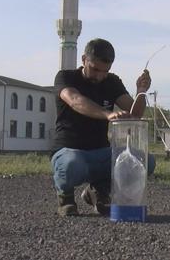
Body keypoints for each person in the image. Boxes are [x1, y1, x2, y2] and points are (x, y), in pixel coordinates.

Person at [51, 38, 155, 217]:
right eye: (95, 69)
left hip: (101, 152)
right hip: (69, 151)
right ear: (84, 59)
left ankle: (99, 190)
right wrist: (107, 114)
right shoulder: (65, 77)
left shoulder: (111, 82)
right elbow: (76, 101)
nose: (99, 76)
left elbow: (134, 113)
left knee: (144, 161)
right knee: (71, 165)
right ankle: (66, 198)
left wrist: (140, 92)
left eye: (105, 71)